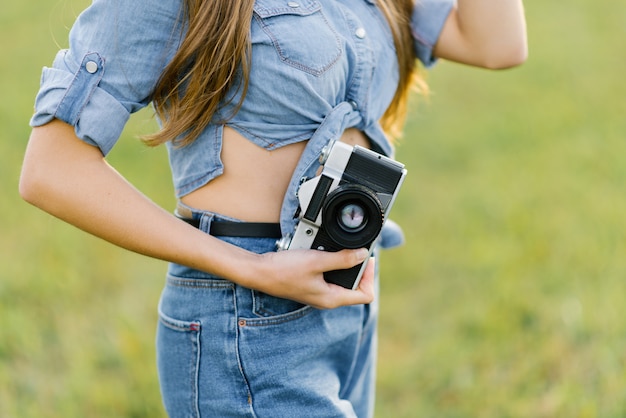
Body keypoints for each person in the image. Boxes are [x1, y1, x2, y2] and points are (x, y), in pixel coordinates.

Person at [20, 0, 527, 416]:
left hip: (345, 297)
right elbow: (52, 169)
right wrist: (250, 267)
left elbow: (498, 44)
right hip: (244, 318)